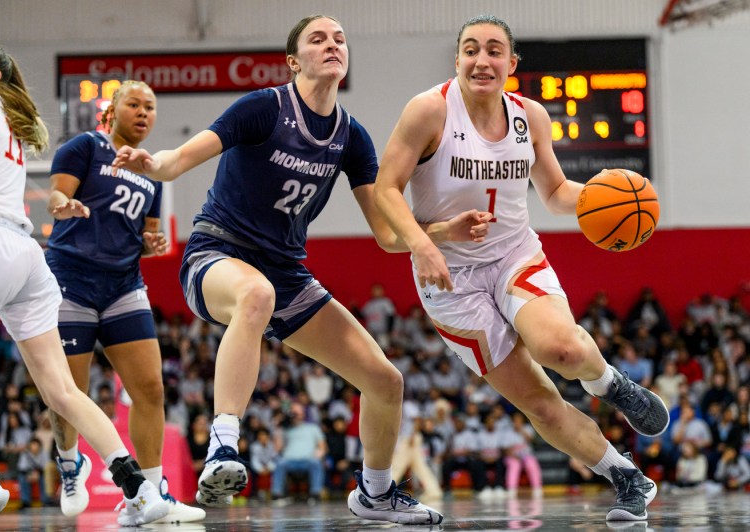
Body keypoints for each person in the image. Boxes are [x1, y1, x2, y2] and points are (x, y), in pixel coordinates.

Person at [111, 14, 490, 525]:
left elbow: (386, 235)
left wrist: (441, 232)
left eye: (339, 39)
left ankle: (375, 494)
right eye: (318, 39)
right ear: (294, 61)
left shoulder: (351, 137)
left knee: (385, 381)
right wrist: (151, 166)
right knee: (255, 295)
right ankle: (223, 444)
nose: (332, 44)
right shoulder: (262, 107)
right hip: (217, 253)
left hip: (286, 273)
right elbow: (178, 160)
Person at [373, 15, 670, 522]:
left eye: (493, 50)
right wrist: (425, 242)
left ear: (511, 64)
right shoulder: (428, 111)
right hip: (451, 281)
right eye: (470, 49)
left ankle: (610, 384)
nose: (481, 59)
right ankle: (627, 477)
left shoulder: (529, 116)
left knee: (561, 347)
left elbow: (554, 194)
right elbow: (385, 190)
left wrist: (607, 196)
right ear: (458, 59)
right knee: (536, 398)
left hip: (515, 254)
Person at [0, 38, 167, 526]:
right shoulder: (9, 121)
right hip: (28, 256)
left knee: (73, 389)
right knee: (63, 391)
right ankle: (138, 489)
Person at [44, 79, 204, 523]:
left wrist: (151, 241)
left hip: (123, 286)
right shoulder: (84, 148)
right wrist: (63, 205)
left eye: (150, 107)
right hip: (70, 281)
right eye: (134, 103)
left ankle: (147, 496)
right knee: (67, 393)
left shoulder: (150, 172)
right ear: (112, 111)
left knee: (150, 390)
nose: (143, 113)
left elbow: (147, 233)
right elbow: (58, 195)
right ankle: (70, 463)